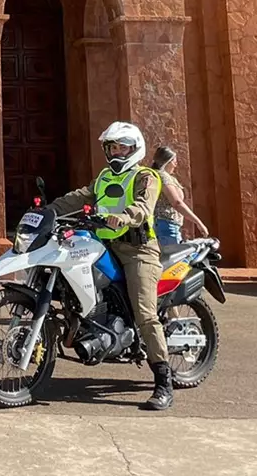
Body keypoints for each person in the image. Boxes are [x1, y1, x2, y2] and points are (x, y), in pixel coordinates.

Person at [47, 122, 174, 411]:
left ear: (134, 148)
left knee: (145, 313)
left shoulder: (146, 176)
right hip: (104, 245)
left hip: (138, 250)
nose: (117, 153)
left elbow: (144, 206)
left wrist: (125, 217)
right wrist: (47, 210)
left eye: (122, 147)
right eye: (113, 148)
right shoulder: (105, 177)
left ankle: (163, 382)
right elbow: (81, 196)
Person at [152, 145, 209, 246]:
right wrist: (198, 222)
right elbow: (177, 202)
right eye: (174, 161)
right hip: (165, 225)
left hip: (166, 226)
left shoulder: (166, 176)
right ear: (167, 161)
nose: (176, 164)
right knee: (173, 260)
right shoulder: (162, 176)